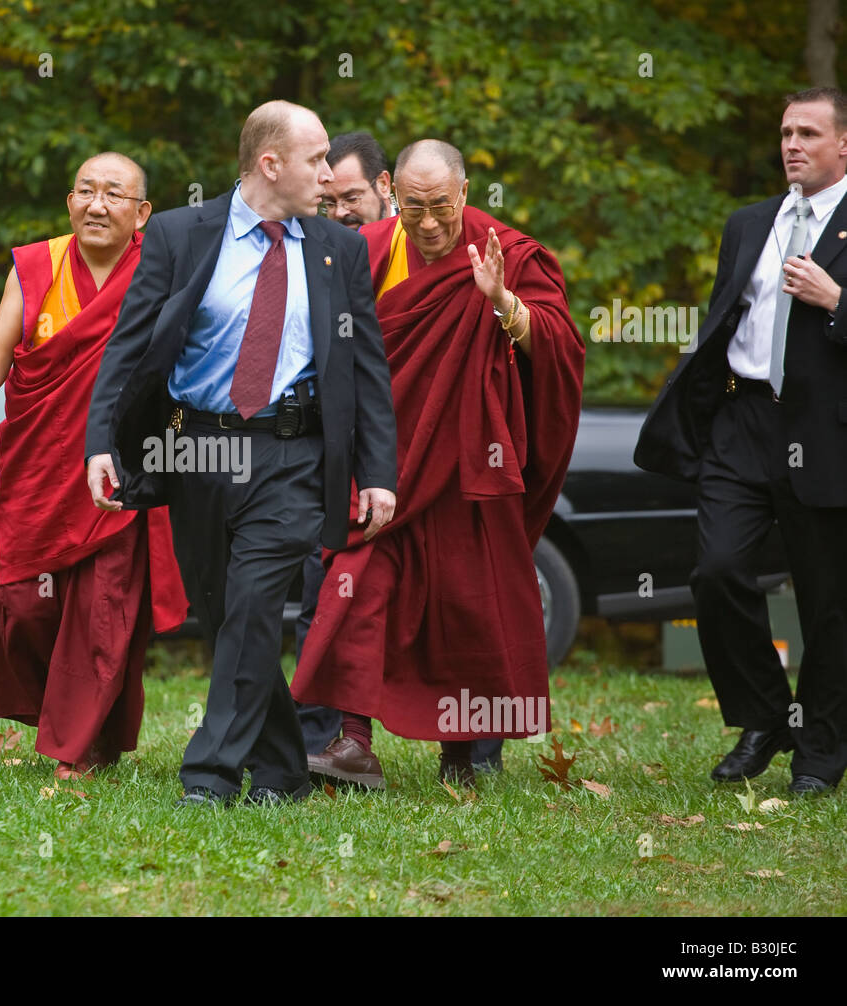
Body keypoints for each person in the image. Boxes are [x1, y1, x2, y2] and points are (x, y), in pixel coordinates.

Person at [85, 101, 398, 807]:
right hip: (193, 451)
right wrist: (100, 442)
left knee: (256, 607)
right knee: (227, 617)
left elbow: (367, 370)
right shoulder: (177, 235)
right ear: (270, 164)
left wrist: (378, 473)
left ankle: (210, 774)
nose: (328, 173)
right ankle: (286, 769)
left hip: (293, 454)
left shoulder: (337, 250)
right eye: (316, 160)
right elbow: (128, 347)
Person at [293, 139, 584, 789]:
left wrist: (504, 303)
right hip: (382, 463)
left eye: (442, 208)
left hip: (466, 466)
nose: (428, 224)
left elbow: (561, 349)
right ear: (391, 190)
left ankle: (466, 753)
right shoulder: (366, 251)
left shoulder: (506, 251)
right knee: (356, 587)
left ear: (466, 192)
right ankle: (353, 743)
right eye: (414, 207)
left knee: (465, 607)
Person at [0, 152, 187, 780]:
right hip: (41, 471)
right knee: (26, 606)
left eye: (113, 194)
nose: (96, 204)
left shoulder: (160, 269)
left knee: (103, 610)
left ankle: (71, 749)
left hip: (119, 474)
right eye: (85, 191)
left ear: (143, 213)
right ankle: (82, 721)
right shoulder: (35, 265)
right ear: (69, 200)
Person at [636, 87, 847, 795]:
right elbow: (724, 323)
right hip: (744, 423)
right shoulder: (749, 223)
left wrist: (838, 300)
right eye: (787, 132)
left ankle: (820, 749)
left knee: (827, 602)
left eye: (809, 133)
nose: (792, 144)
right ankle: (764, 718)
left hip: (825, 431)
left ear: (843, 145)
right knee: (716, 571)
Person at [293, 131, 398, 756]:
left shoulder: (431, 249)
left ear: (387, 187)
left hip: (432, 443)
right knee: (323, 588)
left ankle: (470, 746)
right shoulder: (320, 253)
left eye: (352, 197)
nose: (340, 213)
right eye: (328, 201)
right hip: (335, 452)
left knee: (451, 596)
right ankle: (319, 738)